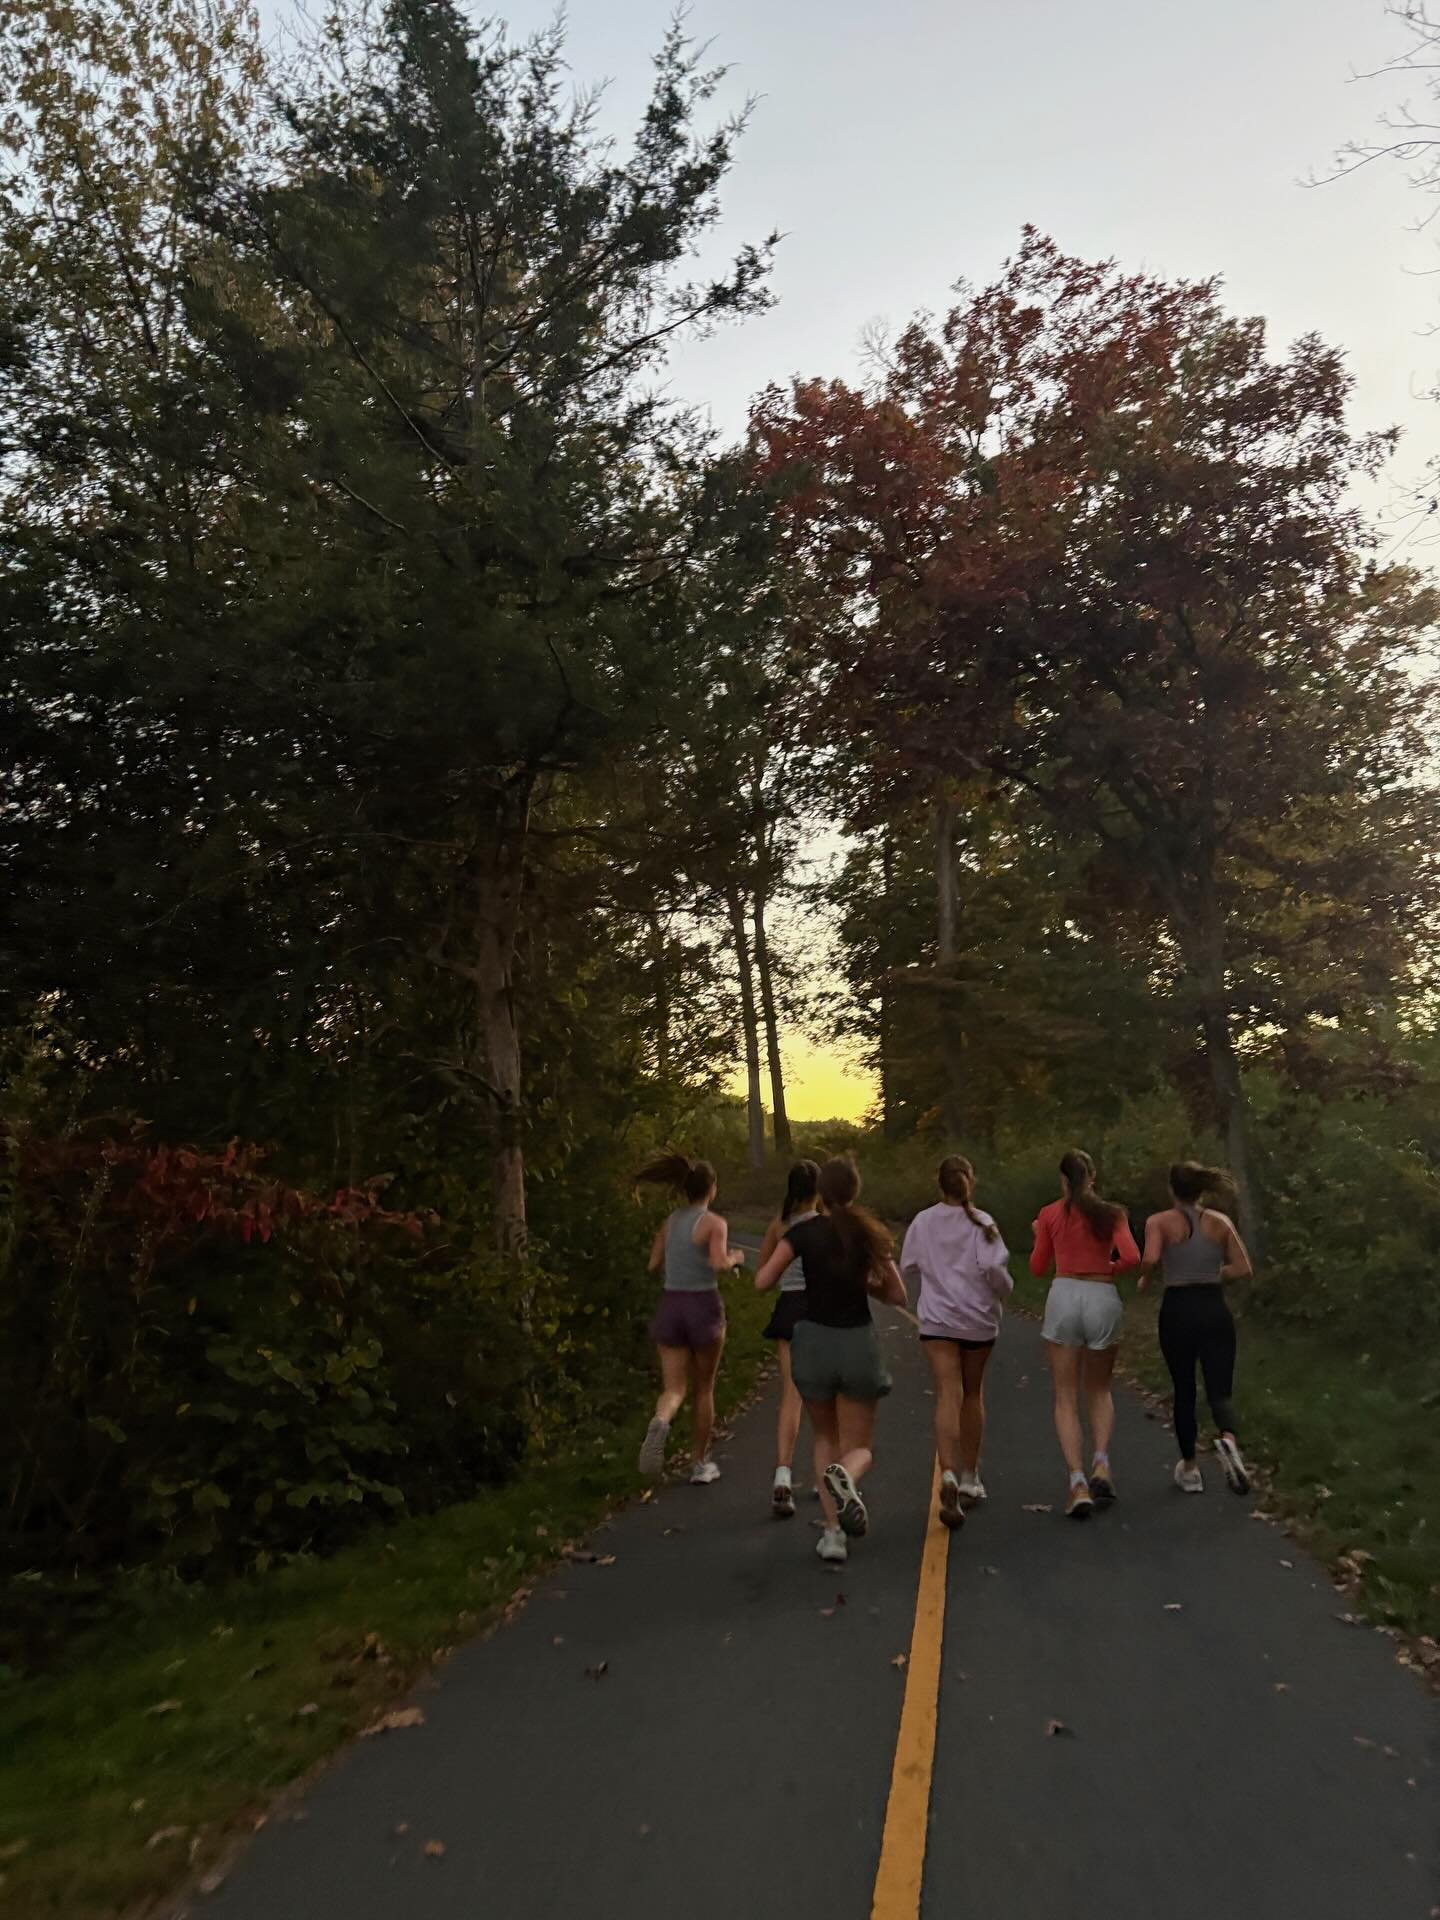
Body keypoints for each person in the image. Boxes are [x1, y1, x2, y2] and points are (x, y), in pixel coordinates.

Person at [755, 1157, 907, 1565]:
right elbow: (897, 1296)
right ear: (855, 1191)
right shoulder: (869, 1234)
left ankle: (834, 1536)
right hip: (857, 1341)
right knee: (859, 1448)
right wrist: (867, 1286)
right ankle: (849, 1477)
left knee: (825, 1438)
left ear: (821, 1192)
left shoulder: (803, 1233)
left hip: (813, 1342)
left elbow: (762, 1280)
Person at [901, 1156, 1013, 1529]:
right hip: (978, 1320)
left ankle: (946, 1471)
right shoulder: (983, 1223)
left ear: (939, 1185)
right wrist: (1005, 1292)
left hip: (938, 1319)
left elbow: (909, 1265)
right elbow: (995, 1270)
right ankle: (970, 1476)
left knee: (948, 1392)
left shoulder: (923, 1222)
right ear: (970, 1182)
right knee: (972, 1393)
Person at [1031, 1148, 1140, 1518]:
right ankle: (1102, 1463)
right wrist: (1108, 1267)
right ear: (1092, 1177)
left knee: (1065, 1394)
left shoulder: (1049, 1214)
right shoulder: (1112, 1214)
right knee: (1099, 1388)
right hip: (1101, 1297)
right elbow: (1132, 1257)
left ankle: (1077, 1483)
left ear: (1064, 1180)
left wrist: (1038, 1235)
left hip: (1064, 1295)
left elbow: (1037, 1266)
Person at [1139, 1162, 1254, 1495]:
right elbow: (1243, 1267)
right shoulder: (1220, 1222)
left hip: (1178, 1309)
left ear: (1172, 1189)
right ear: (1201, 1190)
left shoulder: (1159, 1222)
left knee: (1184, 1389)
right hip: (1214, 1308)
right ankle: (1229, 1440)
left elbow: (1149, 1257)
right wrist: (1214, 1273)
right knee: (1220, 1389)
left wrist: (1146, 1274)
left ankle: (1190, 1470)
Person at [634, 1151, 745, 1484]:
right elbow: (717, 1263)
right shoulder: (714, 1223)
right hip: (702, 1306)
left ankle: (661, 1421)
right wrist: (735, 1258)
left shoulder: (670, 1222)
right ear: (711, 1188)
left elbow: (653, 1265)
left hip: (671, 1305)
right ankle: (700, 1464)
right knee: (704, 1389)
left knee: (674, 1389)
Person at [755, 1159, 823, 1518]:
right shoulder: (826, 1226)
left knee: (791, 1395)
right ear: (818, 1191)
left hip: (789, 1307)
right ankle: (825, 1475)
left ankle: (783, 1474)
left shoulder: (779, 1225)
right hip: (822, 1309)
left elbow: (764, 1273)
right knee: (827, 1394)